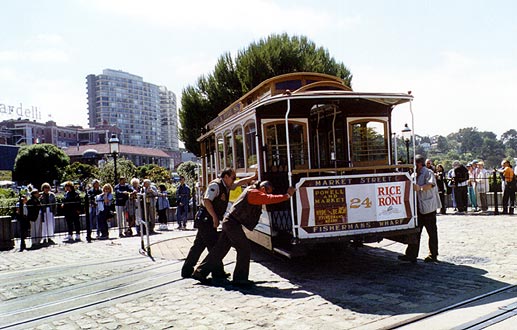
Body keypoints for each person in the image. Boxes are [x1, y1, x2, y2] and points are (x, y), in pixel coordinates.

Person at [192, 181, 296, 286]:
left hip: (230, 223)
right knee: (244, 249)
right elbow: (269, 199)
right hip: (233, 224)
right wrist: (287, 196)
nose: (267, 194)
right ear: (263, 189)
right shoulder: (254, 193)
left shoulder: (251, 190)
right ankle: (240, 279)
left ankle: (200, 272)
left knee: (219, 250)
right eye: (267, 192)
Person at [181, 168, 256, 279]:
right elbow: (207, 201)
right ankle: (217, 272)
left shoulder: (226, 186)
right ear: (226, 176)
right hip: (206, 219)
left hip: (207, 219)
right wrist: (214, 217)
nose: (234, 180)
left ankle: (186, 270)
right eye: (233, 177)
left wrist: (253, 177)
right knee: (214, 246)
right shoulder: (216, 185)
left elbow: (239, 183)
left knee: (198, 246)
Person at [398, 155, 441, 263]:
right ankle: (411, 255)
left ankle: (433, 255)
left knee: (432, 232)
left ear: (419, 163)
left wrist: (420, 188)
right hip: (417, 208)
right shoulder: (414, 174)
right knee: (415, 232)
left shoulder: (428, 172)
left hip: (428, 208)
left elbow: (431, 185)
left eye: (414, 164)